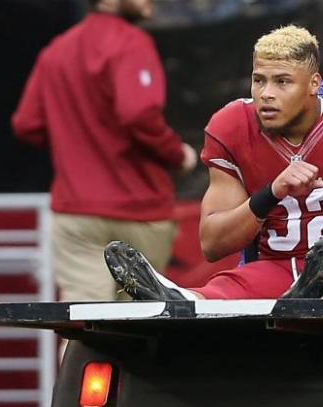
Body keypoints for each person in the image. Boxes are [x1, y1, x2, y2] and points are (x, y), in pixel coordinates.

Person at [105, 23, 323, 301]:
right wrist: (271, 193)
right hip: (273, 265)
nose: (267, 94)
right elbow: (212, 243)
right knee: (217, 293)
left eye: (282, 82)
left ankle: (317, 297)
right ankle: (179, 298)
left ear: (315, 83)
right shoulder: (235, 124)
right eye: (259, 80)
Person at [11, 0, 197, 302]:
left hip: (76, 212)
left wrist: (75, 138)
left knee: (83, 321)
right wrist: (177, 154)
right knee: (138, 324)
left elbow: (27, 123)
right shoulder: (132, 41)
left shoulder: (57, 50)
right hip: (140, 209)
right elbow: (138, 114)